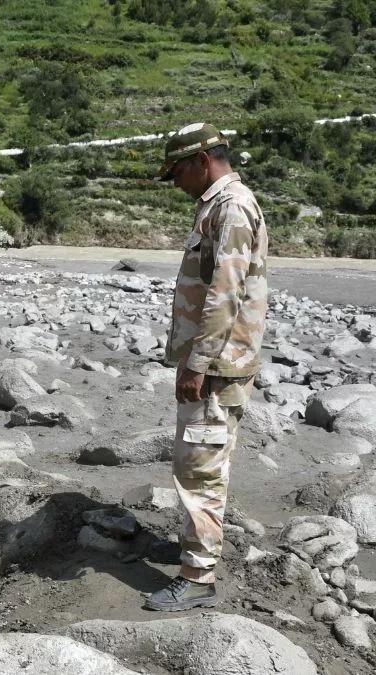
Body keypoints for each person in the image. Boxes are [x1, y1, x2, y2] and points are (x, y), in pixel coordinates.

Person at [144, 122, 269, 612]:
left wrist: (197, 364)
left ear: (201, 160)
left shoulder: (232, 207)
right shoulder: (218, 205)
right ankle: (196, 549)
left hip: (218, 365)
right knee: (200, 460)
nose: (176, 182)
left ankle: (198, 575)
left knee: (200, 467)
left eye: (177, 171)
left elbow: (225, 294)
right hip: (217, 359)